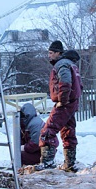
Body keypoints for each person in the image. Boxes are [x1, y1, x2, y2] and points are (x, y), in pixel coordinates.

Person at [36, 40, 83, 172]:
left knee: (47, 130)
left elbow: (65, 81)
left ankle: (48, 163)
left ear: (58, 53)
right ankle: (70, 163)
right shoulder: (72, 65)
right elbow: (80, 86)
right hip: (72, 102)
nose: (49, 56)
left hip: (65, 103)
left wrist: (62, 100)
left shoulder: (61, 64)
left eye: (51, 53)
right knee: (68, 132)